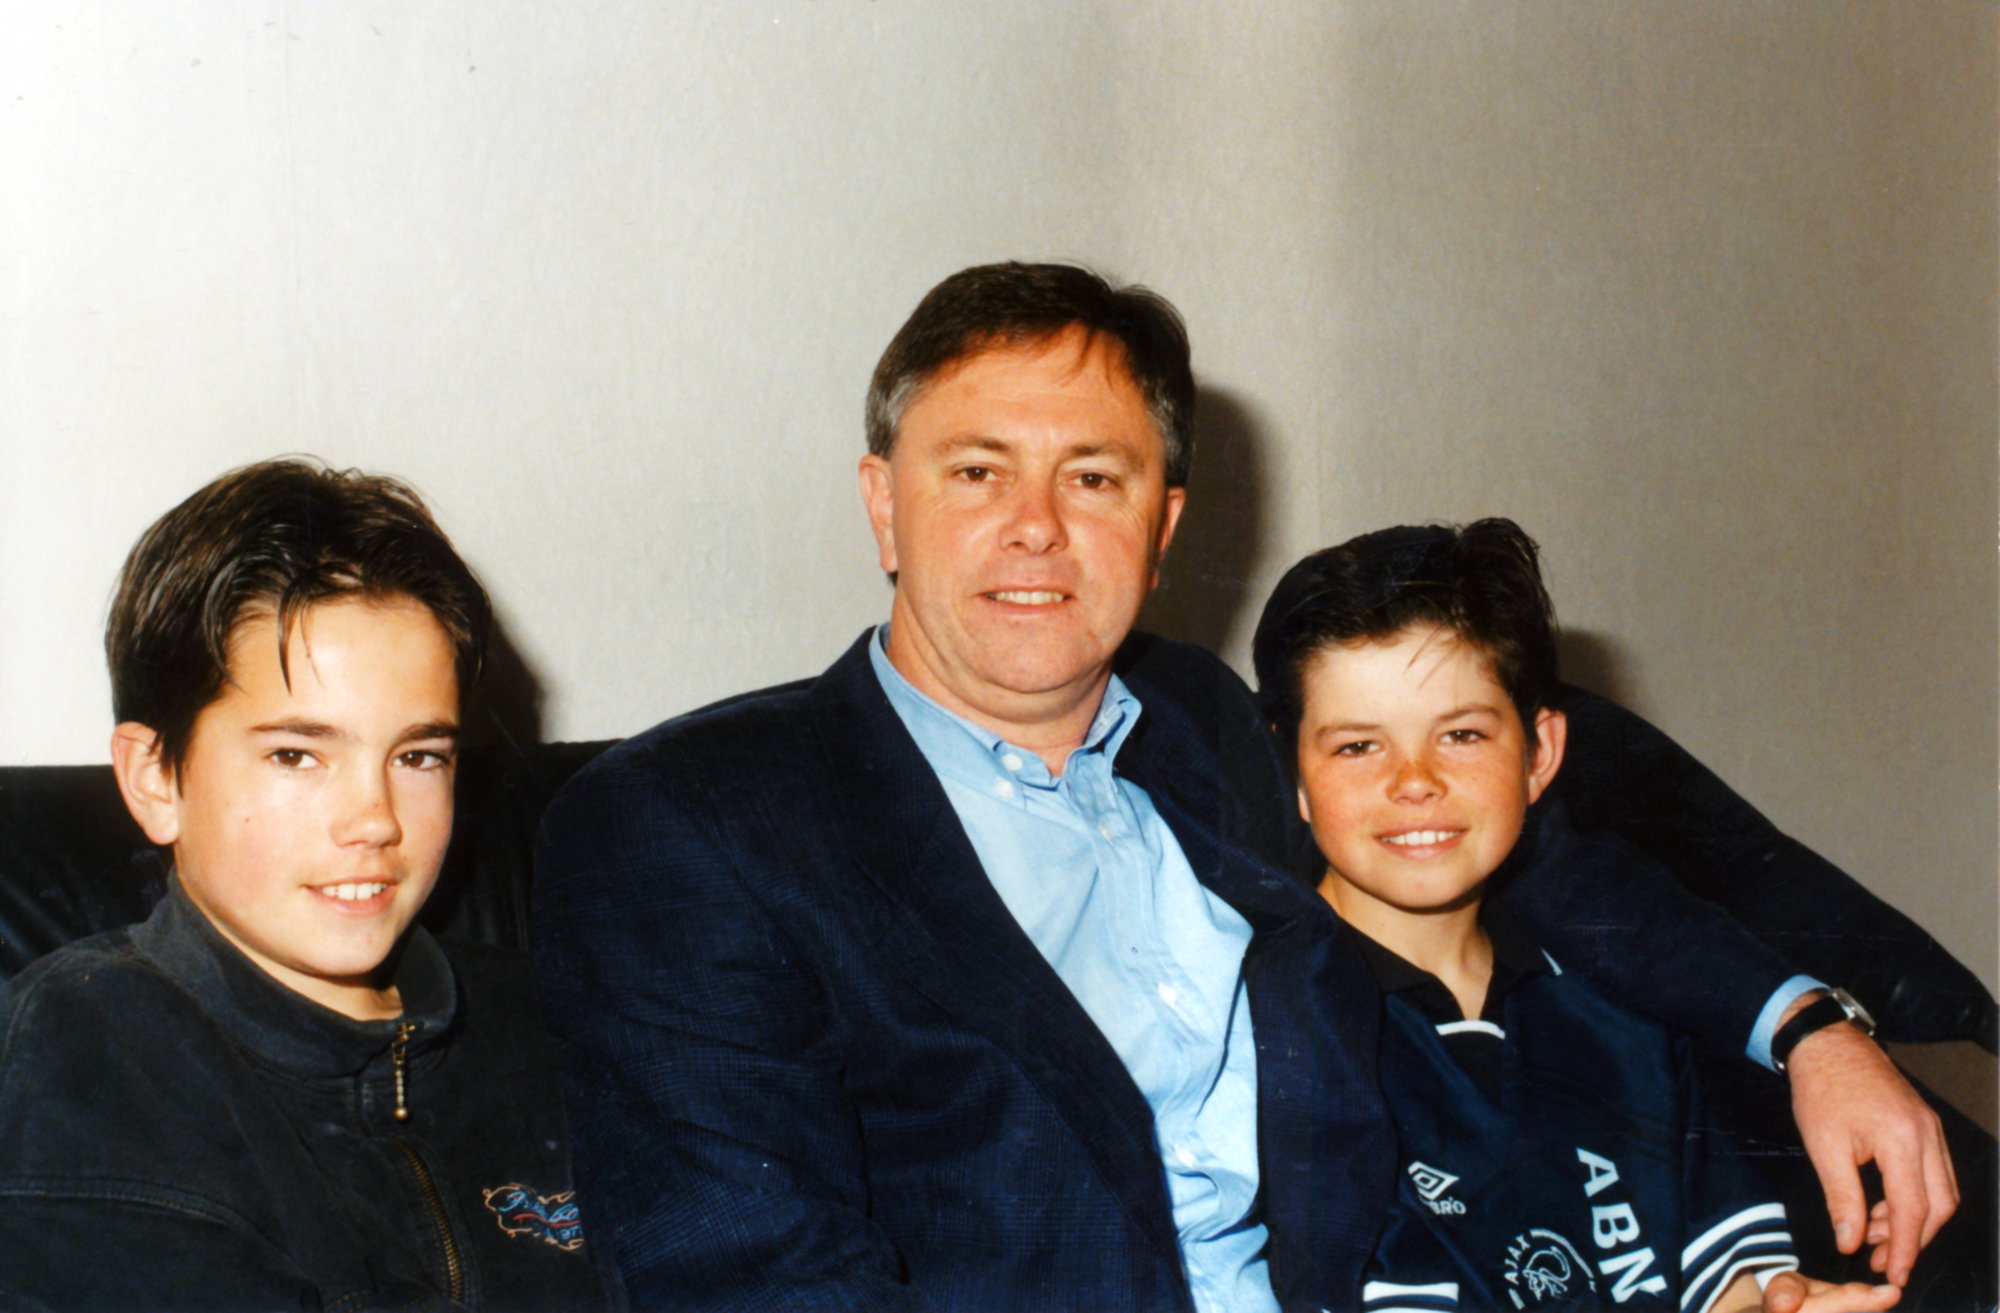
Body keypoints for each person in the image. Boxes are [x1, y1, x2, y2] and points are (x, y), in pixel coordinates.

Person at [532, 262, 1953, 1312]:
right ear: (879, 502)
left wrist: (1811, 1029)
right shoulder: (694, 822)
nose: (1034, 528)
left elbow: (1507, 845)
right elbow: (751, 1281)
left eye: (1094, 477)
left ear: (1163, 527)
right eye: (977, 469)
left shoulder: (1207, 729)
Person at [1252, 518, 1903, 1313]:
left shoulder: (1618, 1009)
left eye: (1460, 734)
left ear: (1539, 755)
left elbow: (1731, 1289)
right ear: (1292, 775)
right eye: (1358, 747)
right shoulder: (1273, 1031)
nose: (1414, 780)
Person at [0, 459, 601, 1309]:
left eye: (419, 755)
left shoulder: (560, 1025)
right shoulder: (82, 1051)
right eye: (296, 754)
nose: (375, 818)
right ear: (155, 778)